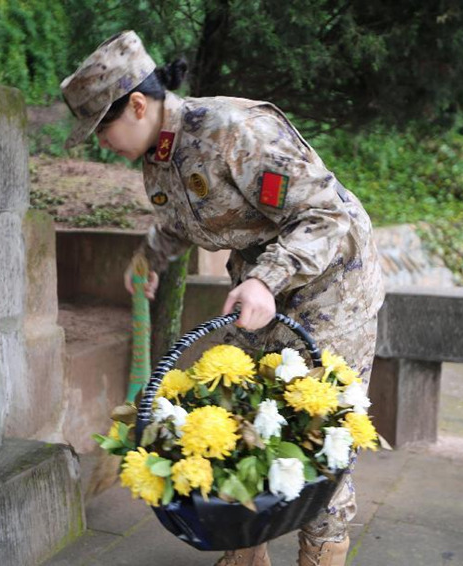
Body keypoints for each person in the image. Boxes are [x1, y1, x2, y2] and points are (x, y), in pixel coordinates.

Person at [60, 31, 385, 566]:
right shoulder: (159, 154)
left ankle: (323, 547)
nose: (100, 142)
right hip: (259, 287)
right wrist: (149, 258)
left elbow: (327, 215)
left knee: (321, 429)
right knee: (243, 411)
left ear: (138, 105)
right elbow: (180, 215)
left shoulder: (236, 130)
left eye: (102, 127)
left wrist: (267, 278)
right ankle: (246, 545)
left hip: (330, 290)